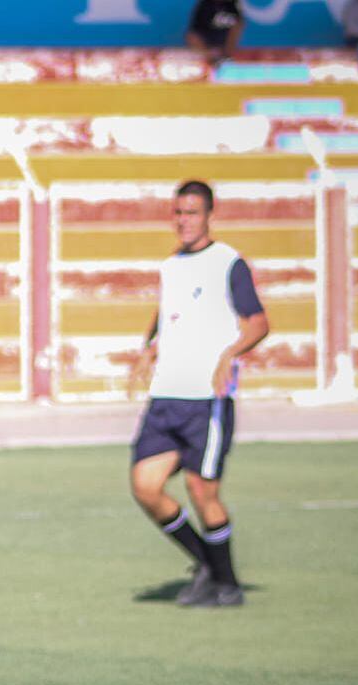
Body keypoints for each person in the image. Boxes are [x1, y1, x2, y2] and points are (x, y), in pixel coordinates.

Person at [127, 181, 269, 609]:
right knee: (145, 485)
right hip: (165, 396)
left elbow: (258, 323)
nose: (184, 220)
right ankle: (210, 564)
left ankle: (227, 586)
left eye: (192, 212)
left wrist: (231, 353)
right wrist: (149, 347)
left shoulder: (228, 263)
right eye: (178, 212)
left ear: (209, 214)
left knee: (201, 491)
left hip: (206, 400)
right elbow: (168, 312)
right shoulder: (171, 265)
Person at [186, 0, 245, 65]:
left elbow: (239, 25)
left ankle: (226, 58)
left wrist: (226, 53)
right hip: (207, 45)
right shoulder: (204, 5)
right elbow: (193, 33)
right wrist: (207, 52)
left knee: (237, 26)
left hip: (224, 47)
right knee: (192, 37)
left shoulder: (234, 4)